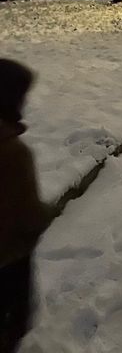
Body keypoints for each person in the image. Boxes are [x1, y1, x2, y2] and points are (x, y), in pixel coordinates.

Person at [0, 60, 54, 353]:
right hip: (9, 264)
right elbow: (30, 217)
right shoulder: (15, 154)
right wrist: (47, 214)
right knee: (12, 326)